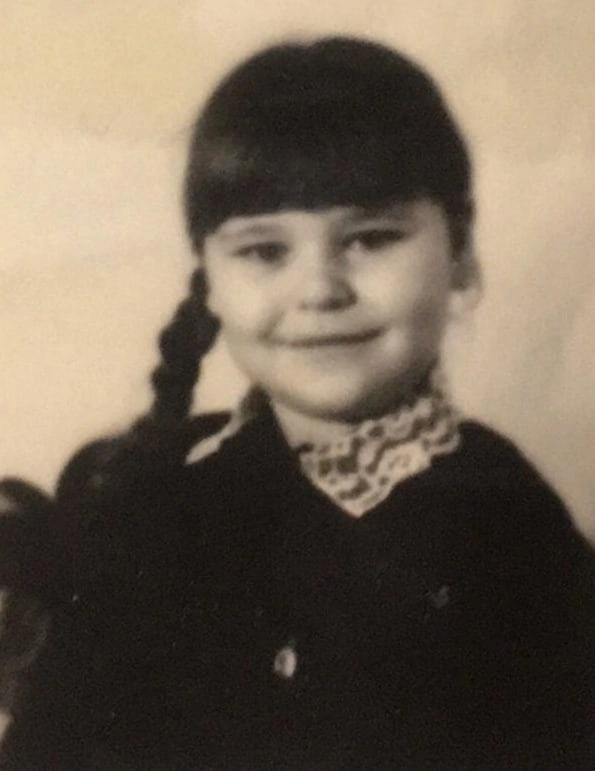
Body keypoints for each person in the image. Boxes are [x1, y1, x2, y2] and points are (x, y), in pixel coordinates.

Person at [1, 35, 594, 770]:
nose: (318, 290)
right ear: (210, 282)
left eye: (370, 238)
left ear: (461, 257)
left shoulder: (505, 530)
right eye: (264, 251)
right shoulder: (153, 511)